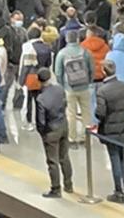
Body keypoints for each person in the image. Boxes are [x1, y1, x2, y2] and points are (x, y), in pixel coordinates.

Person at [96, 60, 124, 204]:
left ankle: (119, 191)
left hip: (110, 130)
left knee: (114, 158)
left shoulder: (102, 90)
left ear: (103, 71)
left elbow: (100, 113)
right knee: (121, 157)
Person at [35, 68, 73, 197]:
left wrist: (43, 133)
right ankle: (69, 184)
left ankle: (56, 189)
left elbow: (40, 121)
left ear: (39, 80)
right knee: (64, 157)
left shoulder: (41, 98)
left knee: (52, 161)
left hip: (51, 131)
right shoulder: (59, 89)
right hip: (63, 125)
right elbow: (65, 104)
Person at [54, 30, 93, 147]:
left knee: (71, 113)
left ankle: (72, 139)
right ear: (77, 39)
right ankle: (86, 138)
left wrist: (62, 85)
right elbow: (92, 69)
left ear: (66, 39)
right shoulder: (85, 52)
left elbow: (58, 72)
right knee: (86, 113)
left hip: (69, 88)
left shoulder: (62, 53)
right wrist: (89, 81)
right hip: (84, 87)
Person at [19, 27, 52, 131]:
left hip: (31, 76)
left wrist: (21, 80)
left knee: (28, 101)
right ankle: (41, 122)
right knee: (40, 101)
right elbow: (49, 63)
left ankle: (28, 122)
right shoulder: (47, 47)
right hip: (43, 76)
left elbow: (26, 65)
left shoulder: (27, 46)